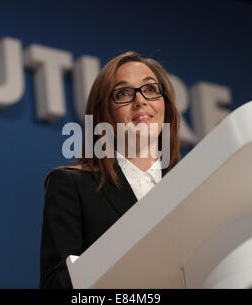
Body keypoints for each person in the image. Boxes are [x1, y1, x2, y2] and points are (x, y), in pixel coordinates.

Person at [39, 51, 181, 288]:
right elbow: (57, 285)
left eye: (150, 89)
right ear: (104, 115)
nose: (140, 101)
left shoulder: (192, 184)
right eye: (123, 93)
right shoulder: (72, 185)